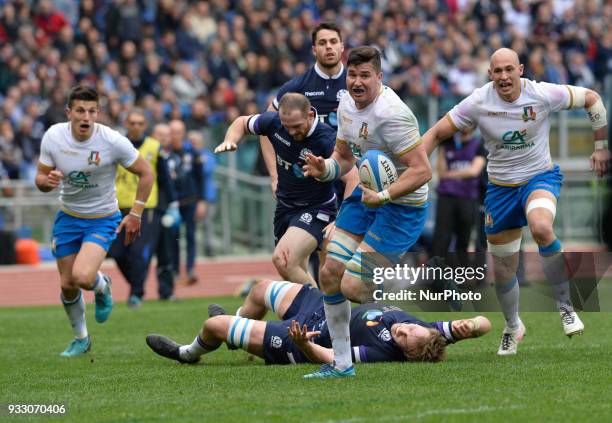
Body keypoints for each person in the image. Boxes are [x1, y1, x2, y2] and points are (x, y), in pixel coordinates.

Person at [422, 47, 610, 355]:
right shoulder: (479, 101)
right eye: (498, 71)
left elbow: (592, 98)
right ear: (490, 75)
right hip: (500, 189)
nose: (504, 76)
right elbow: (436, 132)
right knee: (505, 270)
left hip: (539, 179)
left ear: (520, 69)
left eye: (510, 69)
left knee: (540, 227)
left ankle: (565, 306)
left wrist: (601, 147)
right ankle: (513, 326)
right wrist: (419, 164)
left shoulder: (543, 94)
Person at [302, 46, 432, 378]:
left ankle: (404, 291)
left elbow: (422, 171)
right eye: (353, 74)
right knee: (329, 271)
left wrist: (385, 195)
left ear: (379, 77)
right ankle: (342, 364)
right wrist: (326, 168)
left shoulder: (393, 114)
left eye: (365, 76)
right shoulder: (346, 104)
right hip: (366, 195)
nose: (357, 82)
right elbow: (344, 157)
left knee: (353, 287)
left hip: (402, 207)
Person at [35, 85, 154, 356]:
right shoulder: (53, 137)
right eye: (80, 110)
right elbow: (40, 178)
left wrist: (135, 213)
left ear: (97, 113)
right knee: (67, 284)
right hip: (68, 217)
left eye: (91, 111)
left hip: (102, 218)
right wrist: (47, 181)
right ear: (69, 113)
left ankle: (103, 285)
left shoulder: (112, 141)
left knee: (82, 277)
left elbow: (146, 173)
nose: (86, 117)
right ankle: (81, 339)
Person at [145, 279, 491, 365]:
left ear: (406, 354)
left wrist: (305, 344)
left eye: (403, 339)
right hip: (321, 307)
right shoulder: (431, 335)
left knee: (213, 329)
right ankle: (237, 327)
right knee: (261, 289)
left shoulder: (382, 353)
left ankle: (186, 352)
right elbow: (482, 324)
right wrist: (473, 325)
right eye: (409, 329)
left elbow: (333, 359)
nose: (402, 330)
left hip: (305, 335)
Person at [215, 93, 357, 287]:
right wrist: (230, 140)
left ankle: (318, 313)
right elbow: (241, 122)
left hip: (316, 209)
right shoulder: (274, 123)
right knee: (293, 274)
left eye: (296, 126)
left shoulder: (326, 139)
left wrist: (342, 219)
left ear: (310, 115)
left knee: (284, 259)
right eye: (286, 126)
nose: (290, 131)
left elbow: (354, 177)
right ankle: (313, 313)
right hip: (285, 207)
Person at [109, 109, 178, 308]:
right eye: (132, 123)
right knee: (117, 252)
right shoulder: (117, 147)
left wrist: (172, 205)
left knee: (138, 251)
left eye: (140, 123)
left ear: (145, 126)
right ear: (126, 124)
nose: (136, 126)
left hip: (146, 208)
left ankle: (136, 294)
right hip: (119, 207)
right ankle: (136, 282)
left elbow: (164, 178)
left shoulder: (155, 147)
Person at [432, 127, 486, 265]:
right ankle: (437, 277)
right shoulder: (447, 145)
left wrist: (450, 174)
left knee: (464, 238)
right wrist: (443, 144)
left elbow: (474, 171)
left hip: (467, 197)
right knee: (441, 237)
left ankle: (461, 275)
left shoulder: (478, 145)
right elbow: (441, 171)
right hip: (446, 197)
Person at [167, 119, 206, 286]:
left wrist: (202, 201)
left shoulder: (193, 153)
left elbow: (201, 178)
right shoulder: (164, 154)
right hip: (173, 203)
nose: (175, 135)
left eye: (178, 131)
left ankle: (190, 269)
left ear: (183, 133)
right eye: (173, 132)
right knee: (173, 238)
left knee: (191, 236)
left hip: (190, 201)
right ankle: (174, 270)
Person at [151, 123, 181, 300]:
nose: (163, 138)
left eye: (166, 135)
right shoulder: (145, 155)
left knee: (167, 251)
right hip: (148, 208)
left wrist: (174, 205)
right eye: (159, 134)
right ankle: (136, 290)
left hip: (166, 207)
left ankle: (167, 290)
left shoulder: (177, 158)